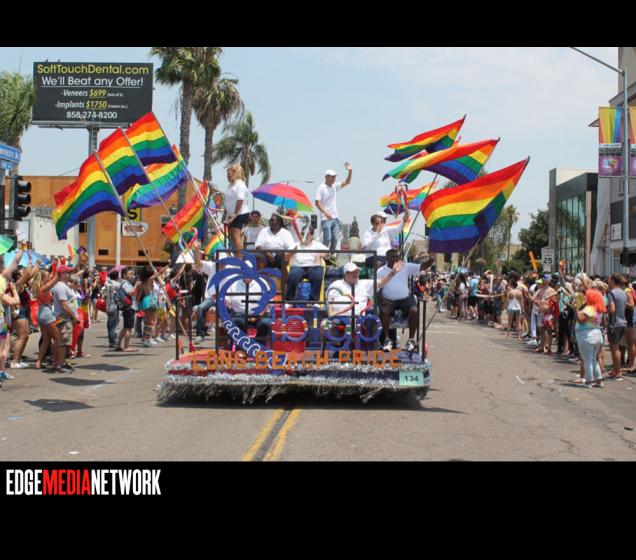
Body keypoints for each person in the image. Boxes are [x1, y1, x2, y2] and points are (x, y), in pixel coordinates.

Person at [376, 249, 434, 352]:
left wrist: (432, 259)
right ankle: (387, 339)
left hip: (404, 299)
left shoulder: (405, 266)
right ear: (387, 258)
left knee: (415, 310)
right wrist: (382, 300)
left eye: (397, 256)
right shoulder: (380, 271)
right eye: (393, 257)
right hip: (388, 300)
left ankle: (411, 340)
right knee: (384, 311)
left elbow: (422, 267)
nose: (396, 259)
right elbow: (377, 289)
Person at [315, 163, 353, 257]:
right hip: (325, 218)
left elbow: (347, 182)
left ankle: (331, 256)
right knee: (327, 238)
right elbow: (317, 202)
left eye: (334, 177)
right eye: (332, 177)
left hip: (335, 217)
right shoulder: (321, 188)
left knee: (335, 238)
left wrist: (350, 171)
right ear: (326, 177)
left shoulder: (334, 186)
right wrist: (325, 213)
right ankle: (322, 255)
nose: (334, 178)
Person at [286, 224, 328, 304]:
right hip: (298, 266)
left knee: (318, 275)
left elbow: (327, 253)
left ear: (311, 235)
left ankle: (313, 301)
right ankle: (289, 300)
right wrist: (292, 252)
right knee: (293, 275)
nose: (304, 236)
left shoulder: (317, 244)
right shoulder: (296, 244)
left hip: (313, 266)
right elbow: (286, 257)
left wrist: (320, 255)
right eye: (302, 233)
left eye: (306, 234)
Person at [572, 288, 606, 388]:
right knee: (593, 359)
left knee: (587, 360)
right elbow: (604, 323)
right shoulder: (599, 309)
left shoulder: (590, 308)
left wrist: (576, 309)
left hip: (587, 336)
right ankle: (599, 380)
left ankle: (588, 382)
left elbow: (581, 319)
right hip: (597, 334)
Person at [225, 275, 272, 346]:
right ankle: (241, 347)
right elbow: (227, 300)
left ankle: (259, 346)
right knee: (237, 321)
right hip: (239, 314)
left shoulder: (262, 282)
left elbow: (268, 301)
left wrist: (259, 314)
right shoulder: (233, 283)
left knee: (266, 323)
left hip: (261, 314)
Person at [50, 266, 78, 373]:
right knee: (63, 342)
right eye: (68, 272)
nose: (70, 274)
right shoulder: (61, 287)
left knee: (64, 341)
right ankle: (60, 365)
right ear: (62, 274)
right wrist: (73, 316)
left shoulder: (63, 286)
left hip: (64, 317)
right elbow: (64, 304)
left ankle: (60, 362)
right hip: (63, 317)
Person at [33, 268, 59, 370]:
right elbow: (56, 279)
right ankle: (56, 361)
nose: (50, 276)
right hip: (48, 315)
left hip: (41, 314)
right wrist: (59, 268)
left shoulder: (38, 287)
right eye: (48, 275)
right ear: (43, 278)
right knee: (57, 339)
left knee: (46, 340)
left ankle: (38, 362)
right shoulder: (45, 287)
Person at [223, 163, 250, 254]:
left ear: (235, 173)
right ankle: (235, 255)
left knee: (235, 235)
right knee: (231, 235)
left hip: (240, 213)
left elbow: (240, 200)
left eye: (229, 173)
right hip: (231, 214)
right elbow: (228, 201)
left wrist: (234, 214)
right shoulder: (230, 185)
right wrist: (227, 215)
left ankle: (240, 258)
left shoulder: (240, 184)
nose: (227, 175)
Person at [607, 273, 627, 380]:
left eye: (609, 279)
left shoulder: (611, 293)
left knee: (615, 349)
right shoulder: (623, 293)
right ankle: (615, 370)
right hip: (623, 322)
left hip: (614, 323)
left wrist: (604, 310)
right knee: (616, 347)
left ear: (613, 281)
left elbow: (612, 309)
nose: (608, 281)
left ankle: (617, 372)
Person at [115, 267, 138, 352]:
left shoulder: (122, 282)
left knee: (125, 327)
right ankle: (126, 346)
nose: (131, 275)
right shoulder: (125, 283)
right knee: (128, 328)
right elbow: (131, 293)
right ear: (124, 275)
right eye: (129, 274)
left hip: (126, 307)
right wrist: (136, 286)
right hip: (129, 307)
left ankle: (118, 344)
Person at [505, 273, 524, 340]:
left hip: (511, 307)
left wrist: (506, 307)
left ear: (512, 285)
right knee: (518, 322)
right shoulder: (520, 292)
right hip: (518, 308)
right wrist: (522, 308)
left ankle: (508, 335)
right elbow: (521, 301)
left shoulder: (510, 292)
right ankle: (519, 336)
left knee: (509, 322)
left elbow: (507, 300)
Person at [105, 269, 120, 349]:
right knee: (114, 325)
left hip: (107, 306)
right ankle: (113, 341)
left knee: (109, 324)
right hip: (114, 306)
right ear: (116, 277)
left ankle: (111, 340)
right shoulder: (117, 284)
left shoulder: (106, 284)